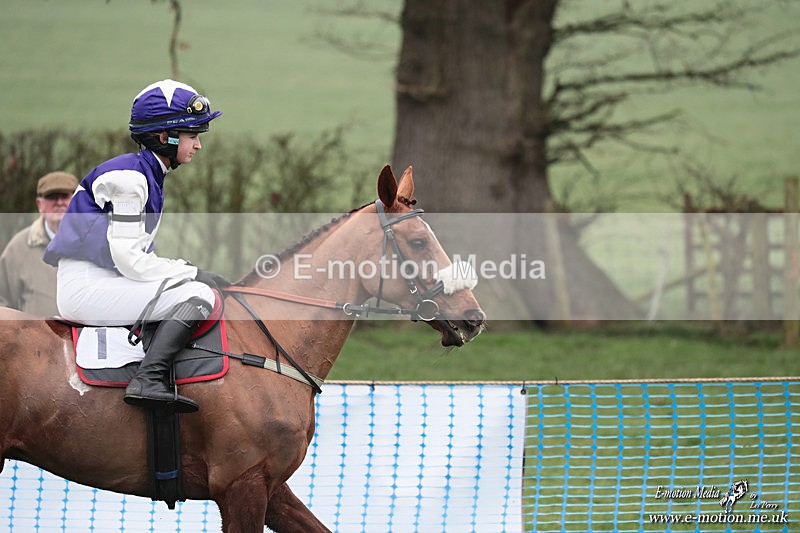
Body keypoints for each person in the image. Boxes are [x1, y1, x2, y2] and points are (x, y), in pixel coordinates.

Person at [44, 79, 228, 413]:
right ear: (165, 137)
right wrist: (193, 273)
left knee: (192, 287)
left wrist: (185, 273)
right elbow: (129, 260)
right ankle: (149, 379)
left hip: (99, 280)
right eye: (192, 135)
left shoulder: (147, 173)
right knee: (199, 295)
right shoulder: (131, 180)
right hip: (88, 287)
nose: (198, 145)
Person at [0, 171, 79, 316]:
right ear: (40, 204)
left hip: (84, 337)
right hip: (33, 338)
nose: (59, 202)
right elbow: (2, 300)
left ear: (77, 201)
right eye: (52, 197)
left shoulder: (95, 244)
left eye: (65, 196)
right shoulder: (18, 248)